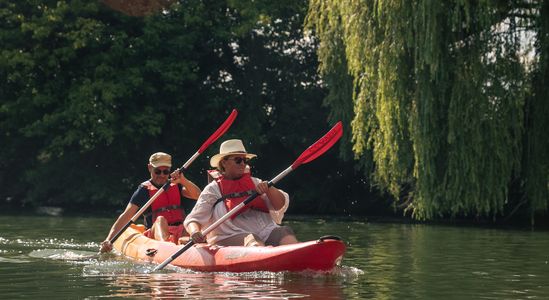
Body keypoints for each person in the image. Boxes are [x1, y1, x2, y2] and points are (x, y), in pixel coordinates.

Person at [184, 139, 298, 247]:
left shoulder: (256, 182)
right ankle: (260, 259)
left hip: (264, 232)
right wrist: (194, 232)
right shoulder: (212, 190)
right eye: (238, 160)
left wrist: (269, 188)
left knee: (284, 231)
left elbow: (280, 205)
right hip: (229, 235)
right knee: (251, 238)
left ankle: (297, 258)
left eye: (245, 160)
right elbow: (193, 219)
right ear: (224, 163)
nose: (243, 164)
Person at [100, 152, 201, 253]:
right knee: (161, 220)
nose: (162, 175)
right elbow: (126, 216)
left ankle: (188, 245)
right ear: (149, 168)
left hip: (180, 231)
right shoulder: (143, 191)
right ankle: (165, 246)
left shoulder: (177, 185)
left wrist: (183, 181)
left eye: (165, 172)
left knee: (189, 221)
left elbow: (198, 195)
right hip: (156, 233)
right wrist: (109, 239)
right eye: (157, 171)